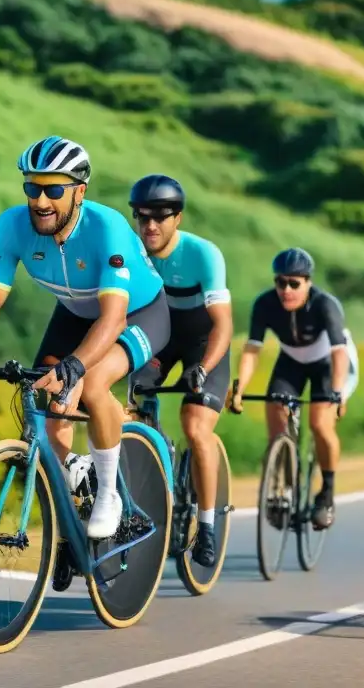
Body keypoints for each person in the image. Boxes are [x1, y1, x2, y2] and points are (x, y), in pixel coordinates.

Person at [0, 135, 171, 554]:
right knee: (50, 409)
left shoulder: (107, 229)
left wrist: (77, 367)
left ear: (79, 191)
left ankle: (109, 494)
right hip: (75, 312)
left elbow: (113, 317)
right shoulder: (12, 226)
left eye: (54, 189)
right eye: (32, 188)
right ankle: (74, 497)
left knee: (95, 382)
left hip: (136, 312)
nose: (41, 201)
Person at [114, 173, 234, 568]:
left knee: (196, 427)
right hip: (159, 340)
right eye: (142, 217)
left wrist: (204, 367)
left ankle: (207, 524)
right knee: (131, 411)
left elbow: (223, 324)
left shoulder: (204, 255)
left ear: (177, 218)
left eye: (160, 217)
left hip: (204, 344)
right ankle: (150, 474)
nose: (150, 226)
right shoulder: (129, 252)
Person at [228, 248, 358, 530]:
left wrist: (337, 393)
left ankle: (326, 493)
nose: (286, 290)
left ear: (308, 282)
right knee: (276, 411)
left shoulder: (325, 304)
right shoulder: (265, 304)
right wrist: (239, 387)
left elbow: (339, 352)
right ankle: (282, 486)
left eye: (294, 283)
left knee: (320, 424)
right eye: (280, 282)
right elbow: (252, 349)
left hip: (330, 362)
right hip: (292, 360)